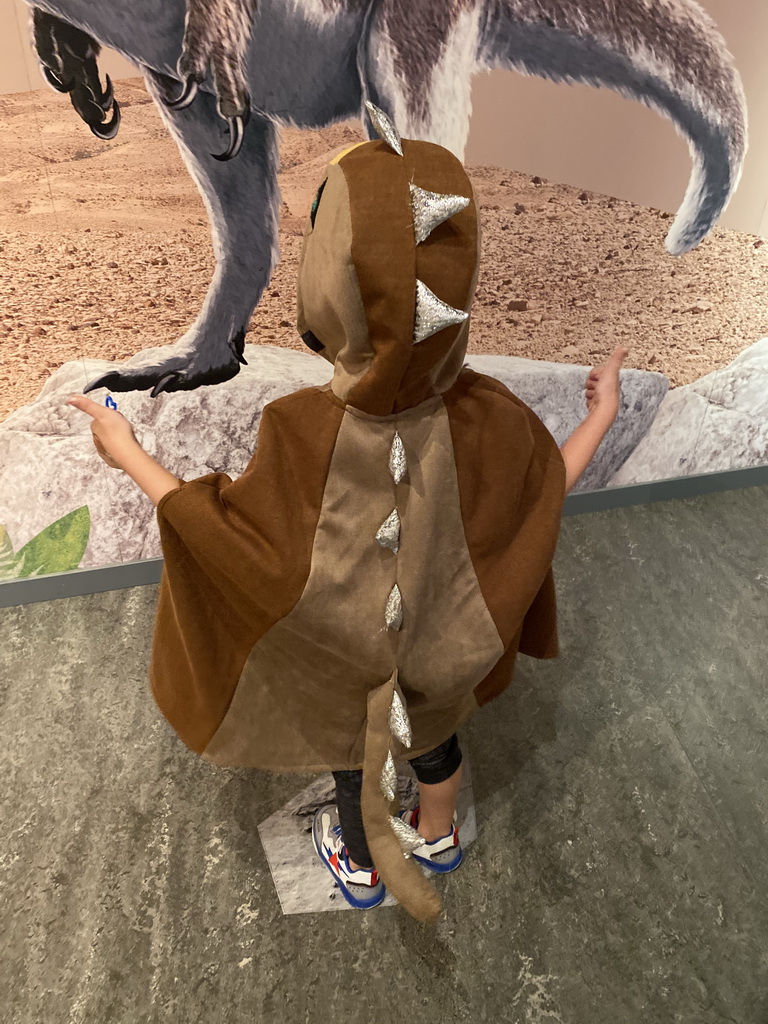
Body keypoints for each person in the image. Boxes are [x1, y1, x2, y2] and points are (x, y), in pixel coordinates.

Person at [68, 104, 627, 920]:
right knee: (434, 739)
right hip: (442, 664)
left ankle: (361, 866)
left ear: (329, 280)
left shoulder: (300, 430)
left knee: (355, 761)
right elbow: (542, 498)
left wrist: (130, 454)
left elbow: (236, 547)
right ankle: (437, 834)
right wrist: (601, 417)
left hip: (348, 673)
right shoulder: (494, 416)